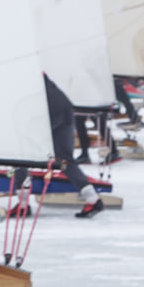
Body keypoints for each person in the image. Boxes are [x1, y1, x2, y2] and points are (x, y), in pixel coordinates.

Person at [42, 73, 105, 217]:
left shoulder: (20, 76)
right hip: (65, 109)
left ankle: (22, 203)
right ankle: (93, 199)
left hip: (49, 110)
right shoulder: (36, 72)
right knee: (65, 159)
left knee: (23, 154)